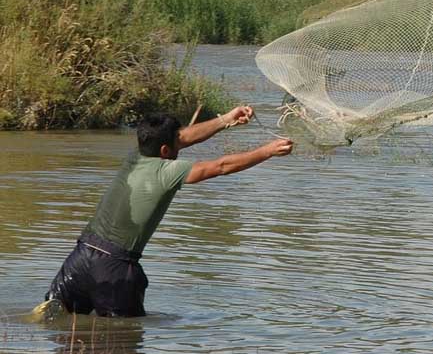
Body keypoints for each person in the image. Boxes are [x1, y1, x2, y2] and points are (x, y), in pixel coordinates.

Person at [41, 106, 293, 317]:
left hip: (80, 257)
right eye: (176, 142)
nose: (181, 142)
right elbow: (221, 166)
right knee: (124, 340)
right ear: (165, 151)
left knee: (54, 318)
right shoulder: (168, 172)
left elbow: (184, 138)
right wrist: (266, 151)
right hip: (115, 267)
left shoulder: (134, 156)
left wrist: (227, 120)